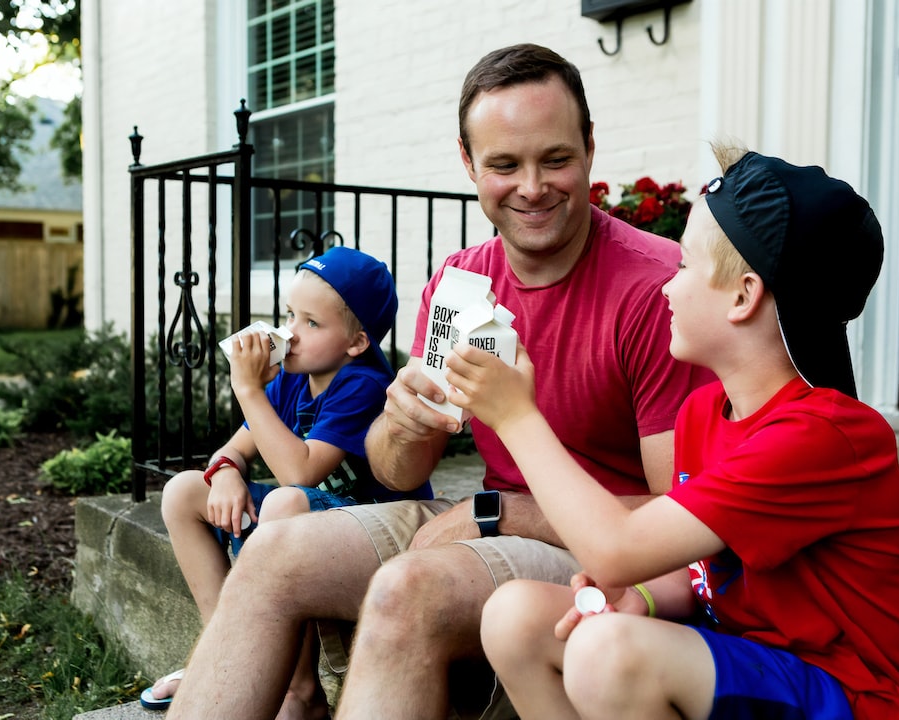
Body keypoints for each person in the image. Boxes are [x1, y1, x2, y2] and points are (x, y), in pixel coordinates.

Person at [166, 42, 713, 720]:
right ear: (468, 164)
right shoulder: (462, 282)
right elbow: (400, 473)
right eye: (505, 164)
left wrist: (499, 513)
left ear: (591, 148)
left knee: (408, 589)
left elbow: (684, 518)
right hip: (484, 526)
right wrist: (400, 421)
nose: (533, 186)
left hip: (596, 551)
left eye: (556, 158)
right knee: (273, 547)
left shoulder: (656, 290)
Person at [470, 144, 899, 719]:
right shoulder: (704, 411)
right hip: (749, 658)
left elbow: (616, 549)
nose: (667, 285)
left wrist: (517, 416)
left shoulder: (822, 436)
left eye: (685, 267)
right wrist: (638, 595)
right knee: (514, 615)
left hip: (856, 696)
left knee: (608, 652)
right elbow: (701, 577)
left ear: (744, 296)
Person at [140, 245, 433, 711]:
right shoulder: (296, 375)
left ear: (356, 342)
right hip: (310, 524)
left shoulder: (363, 383)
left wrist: (248, 389)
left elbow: (300, 471)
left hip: (370, 533)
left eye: (311, 323)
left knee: (285, 502)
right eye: (289, 314)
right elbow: (236, 447)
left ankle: (300, 691)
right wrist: (227, 473)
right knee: (183, 491)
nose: (289, 334)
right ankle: (225, 651)